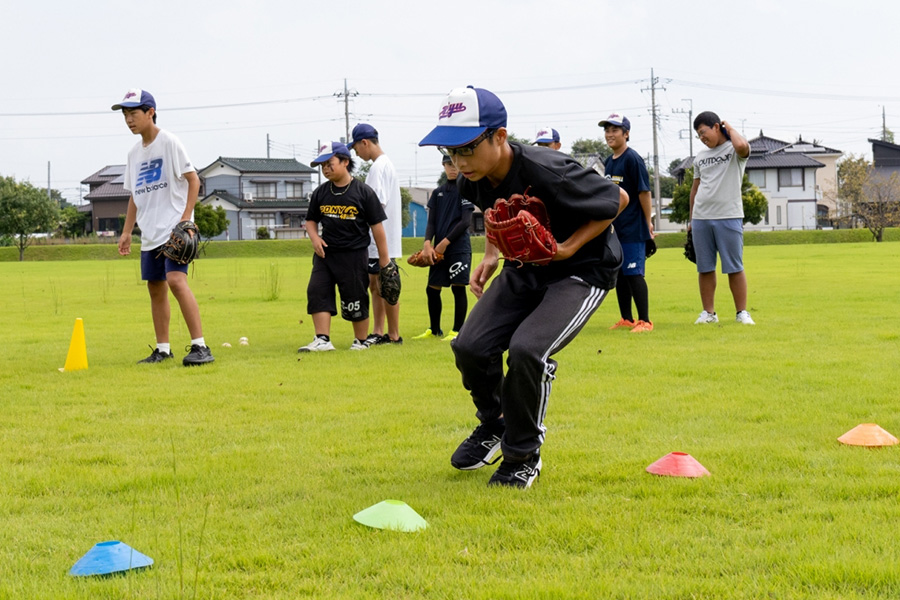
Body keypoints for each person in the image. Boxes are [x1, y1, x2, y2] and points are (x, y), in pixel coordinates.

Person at [419, 86, 628, 488]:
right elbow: (498, 215)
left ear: (499, 137)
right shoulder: (471, 180)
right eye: (450, 154)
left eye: (466, 149)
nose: (459, 162)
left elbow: (616, 199)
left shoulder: (547, 169)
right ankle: (495, 423)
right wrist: (491, 254)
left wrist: (567, 248)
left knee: (528, 350)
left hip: (581, 270)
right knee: (469, 346)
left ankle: (521, 455)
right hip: (525, 269)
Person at [113, 88, 214, 366]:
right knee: (155, 287)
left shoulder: (169, 142)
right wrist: (126, 231)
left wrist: (185, 219)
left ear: (150, 113)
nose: (128, 119)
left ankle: (200, 346)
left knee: (176, 280)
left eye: (133, 113)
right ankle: (163, 349)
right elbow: (135, 194)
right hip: (150, 232)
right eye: (125, 114)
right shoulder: (134, 153)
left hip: (174, 228)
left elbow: (194, 180)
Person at [299, 142, 391, 352]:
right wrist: (314, 238)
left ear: (345, 162)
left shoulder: (363, 192)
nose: (325, 169)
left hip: (354, 254)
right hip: (326, 253)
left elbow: (377, 228)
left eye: (329, 163)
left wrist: (384, 260)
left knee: (355, 297)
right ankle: (322, 339)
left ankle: (360, 341)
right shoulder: (321, 192)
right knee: (317, 291)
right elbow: (311, 220)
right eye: (322, 166)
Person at [689, 111, 754, 325]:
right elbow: (695, 188)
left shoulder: (734, 150)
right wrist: (691, 220)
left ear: (716, 127)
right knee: (705, 267)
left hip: (729, 215)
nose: (702, 138)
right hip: (701, 218)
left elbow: (744, 147)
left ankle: (741, 313)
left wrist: (730, 127)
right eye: (698, 135)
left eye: (703, 132)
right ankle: (709, 313)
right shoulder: (700, 157)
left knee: (734, 266)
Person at [347, 123, 403, 346]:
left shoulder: (378, 168)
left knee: (386, 285)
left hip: (379, 240)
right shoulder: (386, 164)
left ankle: (392, 333)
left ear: (365, 142)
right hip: (385, 239)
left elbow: (374, 205)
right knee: (377, 285)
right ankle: (380, 331)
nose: (357, 154)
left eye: (357, 148)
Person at [600, 113, 654, 333]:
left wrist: (648, 222)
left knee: (634, 273)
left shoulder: (632, 159)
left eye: (614, 130)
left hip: (633, 227)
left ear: (626, 133)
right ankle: (627, 319)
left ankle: (645, 321)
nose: (609, 134)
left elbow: (644, 192)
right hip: (615, 229)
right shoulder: (608, 162)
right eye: (607, 130)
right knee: (620, 274)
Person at [411, 154, 475, 341]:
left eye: (454, 163)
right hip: (437, 250)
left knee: (458, 288)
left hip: (458, 247)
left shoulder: (466, 190)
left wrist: (445, 242)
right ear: (443, 166)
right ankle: (434, 329)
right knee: (432, 288)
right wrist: (427, 244)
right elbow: (431, 222)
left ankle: (457, 331)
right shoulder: (438, 192)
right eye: (448, 164)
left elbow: (465, 222)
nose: (452, 168)